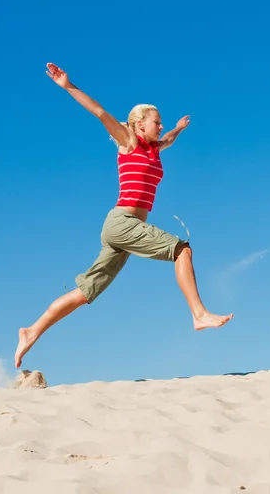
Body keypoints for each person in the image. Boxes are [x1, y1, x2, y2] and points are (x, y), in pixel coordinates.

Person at [14, 63, 233, 368]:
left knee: (84, 293)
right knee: (183, 250)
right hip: (122, 223)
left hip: (124, 232)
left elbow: (168, 140)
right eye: (156, 122)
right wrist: (67, 85)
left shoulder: (155, 149)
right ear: (139, 125)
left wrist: (178, 129)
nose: (160, 126)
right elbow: (100, 112)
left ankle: (31, 330)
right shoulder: (129, 142)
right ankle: (198, 313)